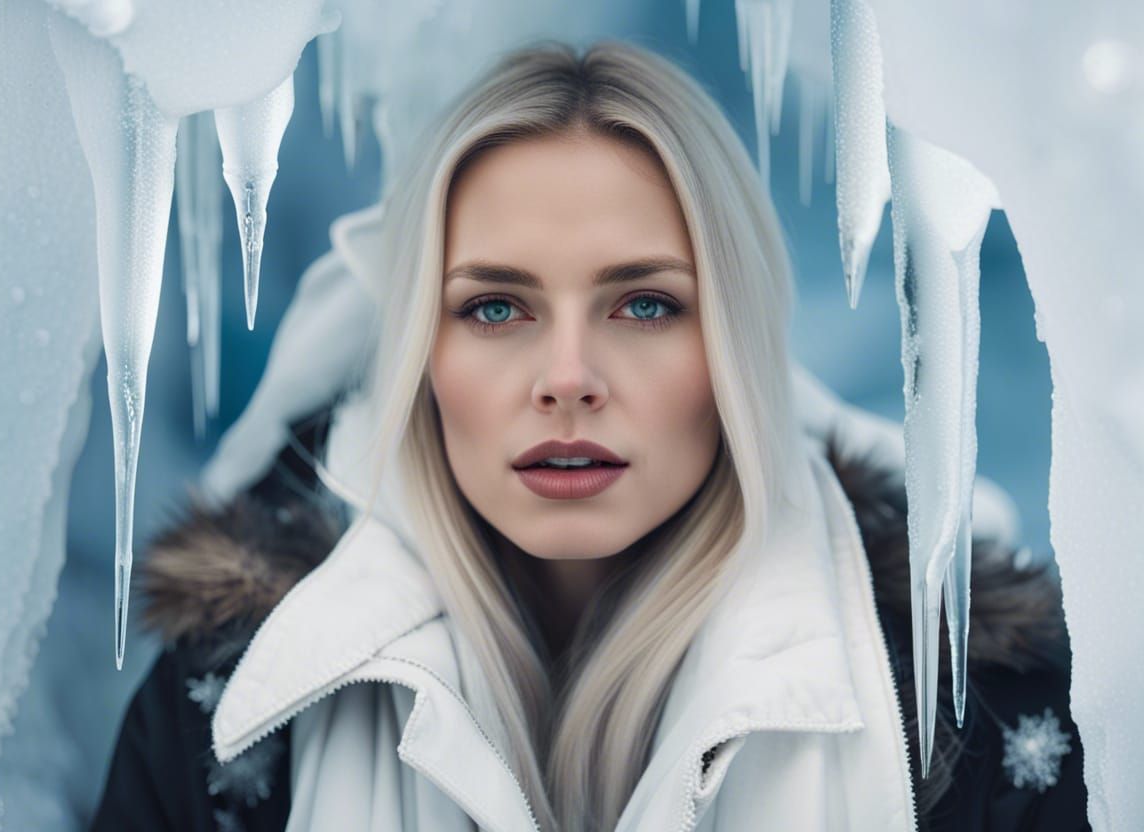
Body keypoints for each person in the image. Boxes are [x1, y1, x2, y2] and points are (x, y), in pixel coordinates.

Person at [90, 39, 1088, 832]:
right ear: (415, 359)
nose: (568, 378)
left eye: (646, 306)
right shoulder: (232, 717)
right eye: (494, 309)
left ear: (738, 348)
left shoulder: (979, 727)